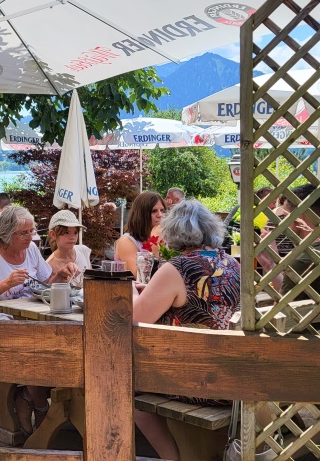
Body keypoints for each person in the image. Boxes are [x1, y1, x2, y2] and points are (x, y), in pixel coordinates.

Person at [131, 200, 242, 460]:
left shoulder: (177, 268)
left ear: (173, 231)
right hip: (233, 374)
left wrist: (131, 294)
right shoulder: (231, 263)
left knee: (126, 385)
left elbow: (135, 318)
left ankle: (171, 457)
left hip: (197, 379)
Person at [0, 206, 72, 434]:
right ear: (6, 234)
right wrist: (5, 284)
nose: (30, 237)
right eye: (23, 233)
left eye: (32, 231)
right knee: (32, 344)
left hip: (26, 319)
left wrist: (60, 277)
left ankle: (27, 396)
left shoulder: (32, 249)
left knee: (59, 340)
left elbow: (47, 284)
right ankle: (42, 407)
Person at [114, 191, 166, 277]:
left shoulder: (167, 239)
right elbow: (140, 276)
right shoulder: (127, 241)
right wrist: (154, 241)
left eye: (162, 210)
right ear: (141, 215)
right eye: (154, 211)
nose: (160, 215)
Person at [45, 210, 90, 287]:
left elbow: (91, 279)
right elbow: (48, 291)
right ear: (53, 234)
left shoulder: (83, 250)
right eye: (66, 232)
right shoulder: (49, 264)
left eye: (75, 232)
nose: (72, 237)